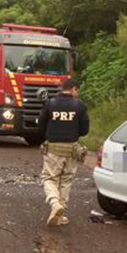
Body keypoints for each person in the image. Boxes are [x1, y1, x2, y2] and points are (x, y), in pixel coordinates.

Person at [37, 78, 90, 227]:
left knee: (49, 178)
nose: (77, 94)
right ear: (73, 89)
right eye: (77, 91)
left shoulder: (50, 104)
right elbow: (84, 130)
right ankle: (60, 216)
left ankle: (55, 203)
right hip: (72, 150)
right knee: (66, 181)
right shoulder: (79, 106)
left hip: (53, 149)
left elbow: (41, 126)